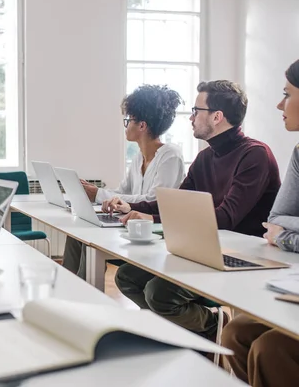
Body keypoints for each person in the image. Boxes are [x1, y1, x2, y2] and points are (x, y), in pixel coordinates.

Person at [108, 80, 280, 342]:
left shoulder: (255, 155)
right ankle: (180, 335)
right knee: (128, 276)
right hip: (206, 249)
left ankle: (213, 327)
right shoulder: (205, 158)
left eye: (196, 110)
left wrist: (152, 218)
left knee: (158, 293)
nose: (191, 118)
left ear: (217, 116)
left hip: (242, 259)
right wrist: (132, 207)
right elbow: (174, 202)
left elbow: (226, 217)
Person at [222, 59, 299, 387]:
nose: (280, 104)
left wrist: (288, 235)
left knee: (270, 349)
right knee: (235, 333)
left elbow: (281, 230)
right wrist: (285, 232)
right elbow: (275, 220)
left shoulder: (253, 153)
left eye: (287, 94)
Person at [63, 85, 185, 278]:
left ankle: (83, 295)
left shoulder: (170, 156)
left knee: (88, 238)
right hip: (131, 226)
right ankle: (68, 288)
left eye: (128, 120)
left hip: (152, 233)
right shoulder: (139, 157)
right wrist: (98, 195)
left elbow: (153, 201)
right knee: (77, 234)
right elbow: (122, 191)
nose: (125, 125)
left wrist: (99, 194)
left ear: (142, 125)